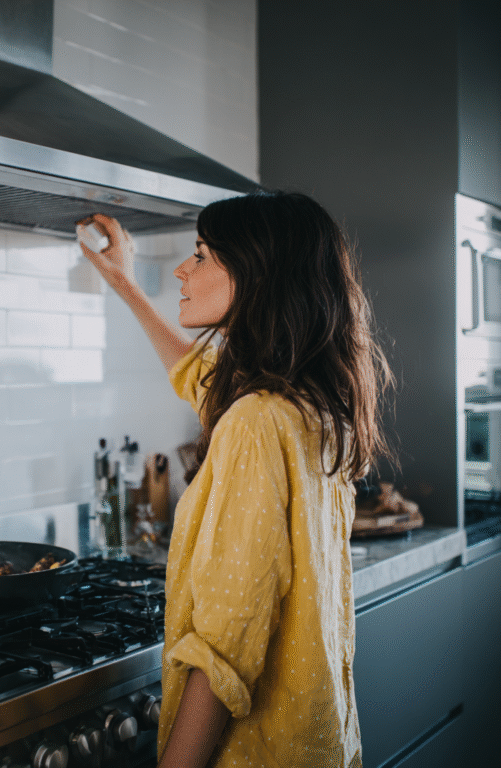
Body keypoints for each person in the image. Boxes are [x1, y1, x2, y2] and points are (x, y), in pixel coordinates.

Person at [77, 190, 393, 768]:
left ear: (255, 276)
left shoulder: (255, 421)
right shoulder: (311, 405)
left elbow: (225, 644)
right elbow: (197, 376)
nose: (182, 269)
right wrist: (123, 282)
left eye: (200, 254)